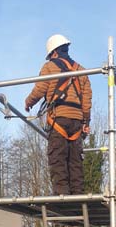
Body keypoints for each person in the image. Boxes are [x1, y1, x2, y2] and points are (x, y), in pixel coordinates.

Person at [24, 34, 92, 195]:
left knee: (58, 158)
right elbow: (87, 99)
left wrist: (29, 102)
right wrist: (86, 122)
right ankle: (78, 195)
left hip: (59, 118)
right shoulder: (81, 70)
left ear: (53, 52)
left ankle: (62, 195)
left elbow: (40, 88)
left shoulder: (49, 67)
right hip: (77, 121)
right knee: (75, 161)